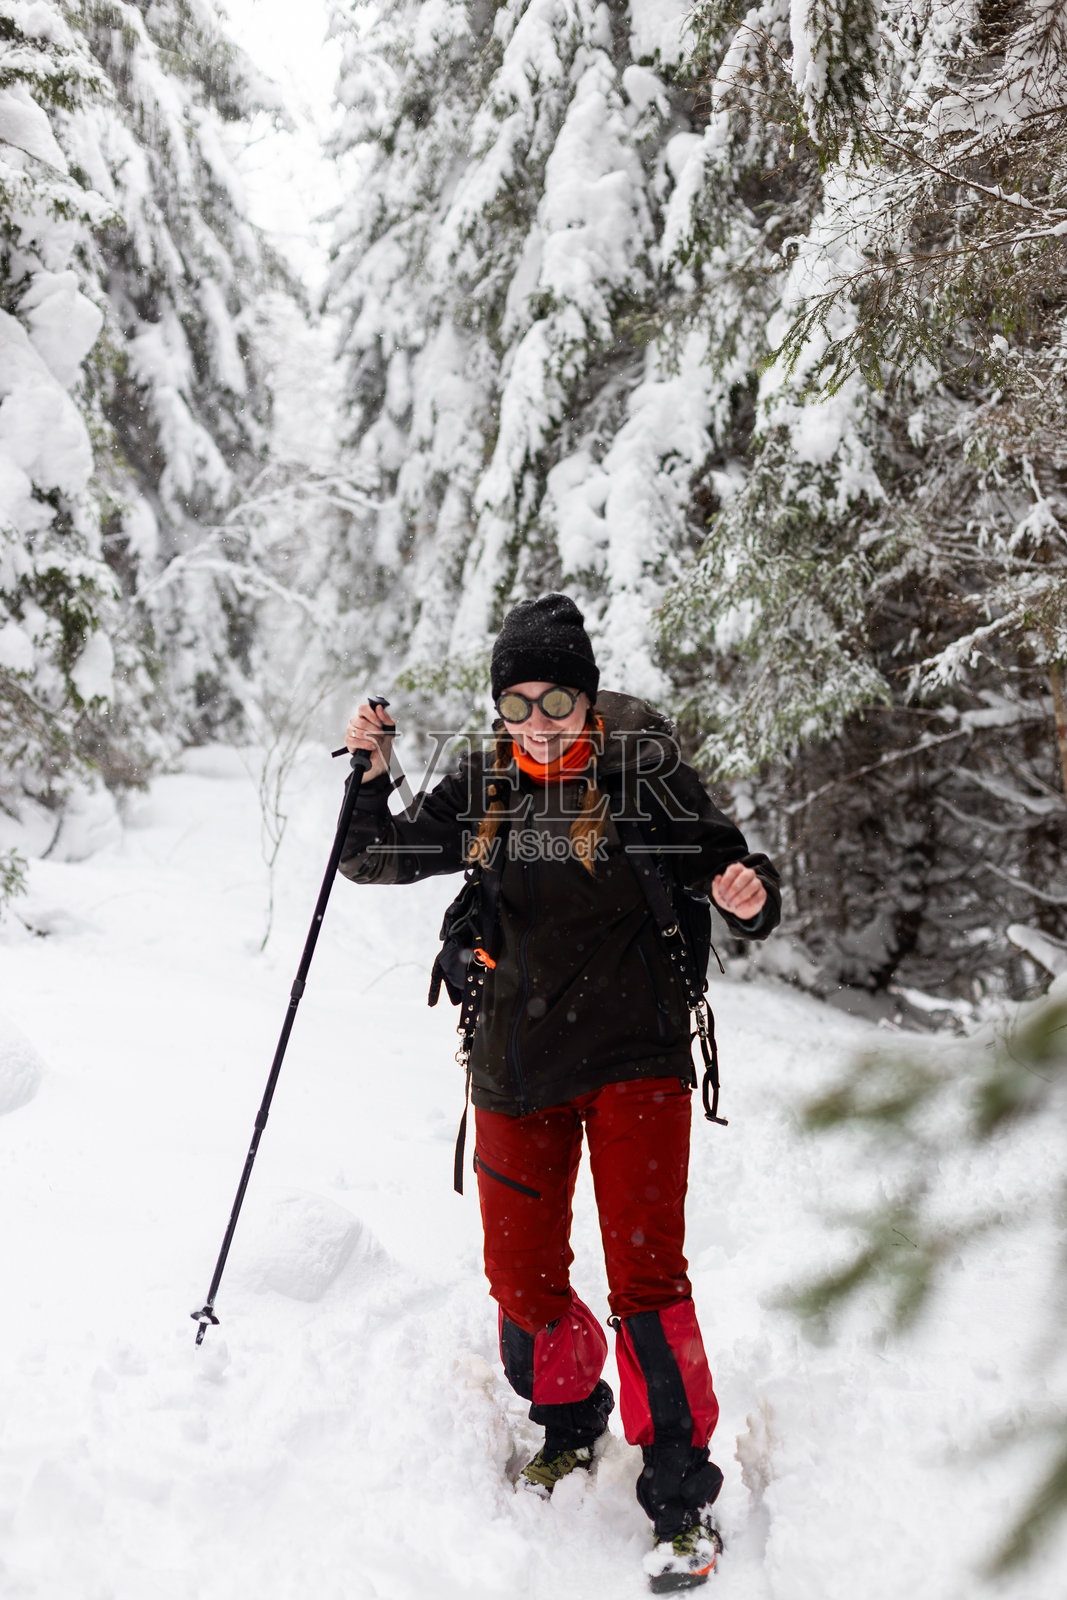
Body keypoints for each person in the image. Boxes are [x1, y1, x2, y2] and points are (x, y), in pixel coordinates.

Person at [339, 594, 780, 1593]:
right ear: (499, 708)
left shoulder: (641, 774)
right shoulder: (484, 781)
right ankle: (570, 1419)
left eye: (557, 701)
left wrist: (747, 892)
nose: (537, 722)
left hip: (636, 1058)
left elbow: (727, 867)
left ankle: (680, 1494)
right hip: (514, 1059)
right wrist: (367, 775)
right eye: (517, 703)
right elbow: (376, 857)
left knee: (646, 1278)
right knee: (520, 1271)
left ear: (587, 700)